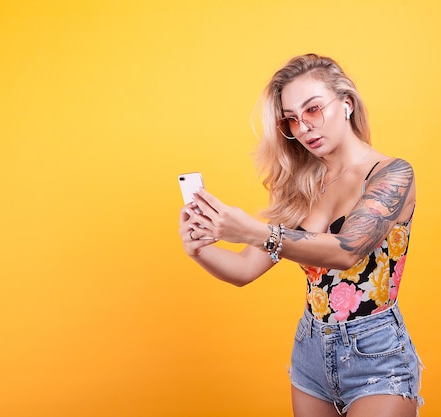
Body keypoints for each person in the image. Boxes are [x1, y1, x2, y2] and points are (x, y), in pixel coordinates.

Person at [179, 53, 423, 417]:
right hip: (310, 352)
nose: (304, 127)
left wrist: (253, 230)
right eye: (291, 120)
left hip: (376, 354)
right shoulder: (300, 183)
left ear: (347, 104)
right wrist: (199, 249)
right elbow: (245, 270)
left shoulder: (392, 174)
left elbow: (346, 249)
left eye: (312, 110)